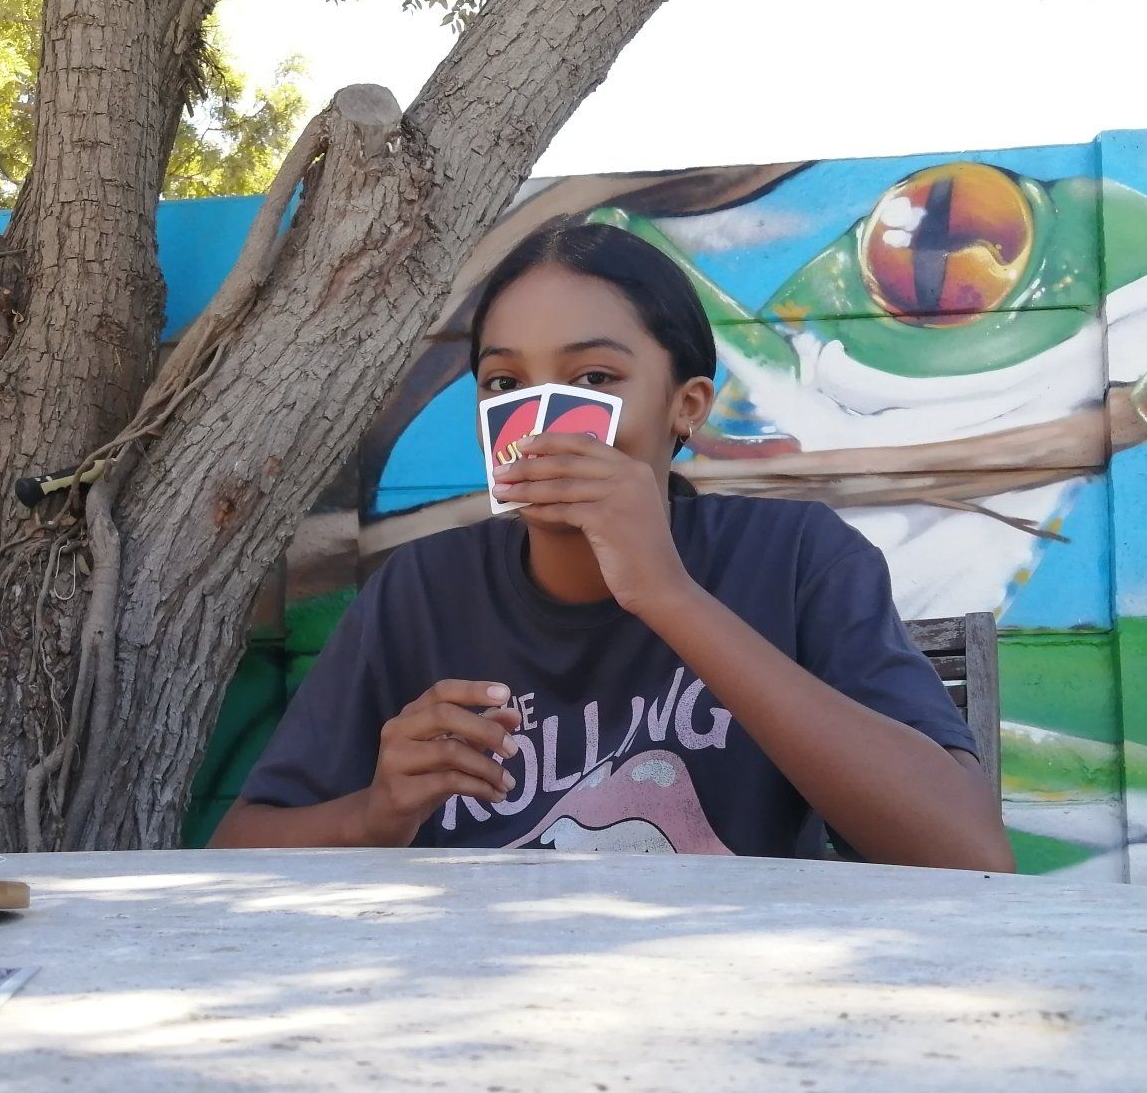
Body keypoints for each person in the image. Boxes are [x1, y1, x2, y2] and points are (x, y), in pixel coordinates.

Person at [213, 222, 1013, 869]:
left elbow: (967, 854)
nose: (544, 419)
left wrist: (668, 595)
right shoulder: (422, 591)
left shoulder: (798, 559)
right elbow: (235, 854)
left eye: (595, 379)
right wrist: (378, 812)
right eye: (504, 385)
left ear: (686, 406)